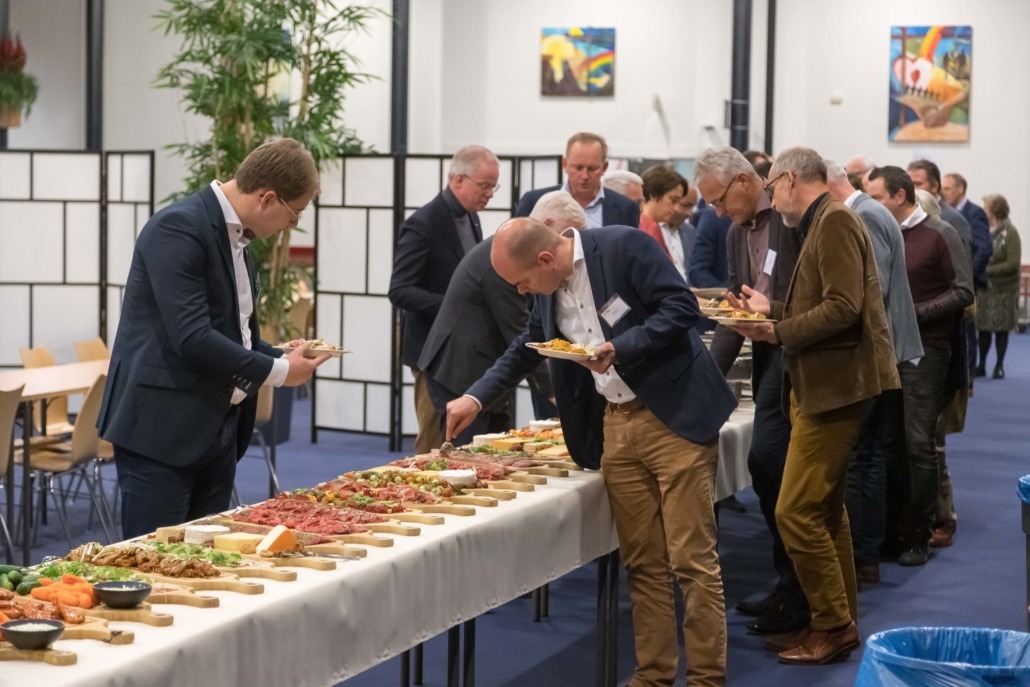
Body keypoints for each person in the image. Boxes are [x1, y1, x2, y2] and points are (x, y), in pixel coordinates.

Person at [446, 218, 736, 686]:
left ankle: (706, 678)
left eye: (522, 282)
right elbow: (527, 347)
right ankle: (654, 675)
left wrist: (620, 347)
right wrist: (476, 397)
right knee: (642, 561)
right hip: (615, 425)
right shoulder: (545, 290)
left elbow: (682, 307)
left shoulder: (624, 247)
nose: (522, 291)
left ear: (545, 259)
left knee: (691, 560)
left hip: (674, 416)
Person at [98, 138, 329, 539]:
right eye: (295, 213)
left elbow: (232, 336)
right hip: (162, 428)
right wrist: (277, 371)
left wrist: (279, 355)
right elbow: (192, 337)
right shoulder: (178, 227)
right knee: (153, 559)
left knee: (206, 560)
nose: (293, 225)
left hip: (218, 426)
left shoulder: (238, 236)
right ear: (267, 198)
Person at [727, 147, 899, 665]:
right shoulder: (826, 219)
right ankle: (837, 620)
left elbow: (844, 308)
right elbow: (826, 301)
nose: (771, 197)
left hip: (837, 386)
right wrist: (773, 310)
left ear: (789, 179)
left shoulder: (834, 221)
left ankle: (833, 625)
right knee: (824, 512)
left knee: (796, 511)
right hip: (826, 383)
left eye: (771, 187)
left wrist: (777, 330)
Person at [694, 147, 807, 636]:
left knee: (783, 475)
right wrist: (706, 381)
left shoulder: (792, 217)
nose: (718, 212)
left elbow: (822, 300)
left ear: (744, 180)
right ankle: (790, 587)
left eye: (720, 200)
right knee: (767, 469)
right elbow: (735, 311)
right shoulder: (736, 232)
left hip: (805, 363)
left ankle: (805, 598)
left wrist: (773, 316)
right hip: (769, 364)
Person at [866, 167, 973, 567]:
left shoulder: (940, 233)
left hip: (927, 351)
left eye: (876, 197)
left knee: (918, 443)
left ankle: (918, 535)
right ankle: (895, 531)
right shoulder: (882, 232)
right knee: (891, 443)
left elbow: (963, 291)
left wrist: (913, 314)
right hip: (887, 351)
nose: (870, 204)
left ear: (899, 196)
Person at [826, 160, 923, 587]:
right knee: (870, 456)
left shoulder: (862, 215)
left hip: (871, 356)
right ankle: (868, 552)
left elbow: (872, 290)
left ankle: (864, 555)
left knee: (863, 458)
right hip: (882, 353)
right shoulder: (870, 211)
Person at [388, 145, 499, 455]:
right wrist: (453, 306)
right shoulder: (423, 222)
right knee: (433, 438)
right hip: (431, 352)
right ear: (458, 179)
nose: (490, 194)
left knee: (461, 439)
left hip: (466, 352)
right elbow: (399, 290)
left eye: (494, 186)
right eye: (485, 186)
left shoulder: (472, 217)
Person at [515, 132, 639, 228]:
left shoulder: (625, 208)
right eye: (578, 168)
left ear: (604, 167)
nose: (585, 176)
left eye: (592, 168)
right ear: (565, 164)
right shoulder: (534, 201)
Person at [976, 194, 1022, 380]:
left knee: (1001, 330)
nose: (983, 211)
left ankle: (999, 365)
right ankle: (981, 365)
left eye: (986, 208)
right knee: (983, 329)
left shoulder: (1011, 233)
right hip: (985, 289)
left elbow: (1013, 263)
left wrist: (988, 270)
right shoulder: (984, 230)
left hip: (1004, 290)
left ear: (994, 211)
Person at [638, 165, 691, 281]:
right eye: (673, 200)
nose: (676, 208)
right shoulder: (645, 229)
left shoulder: (652, 226)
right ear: (653, 194)